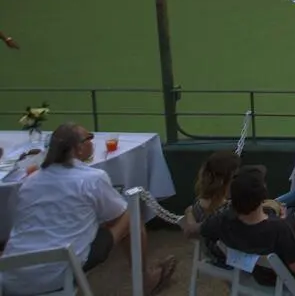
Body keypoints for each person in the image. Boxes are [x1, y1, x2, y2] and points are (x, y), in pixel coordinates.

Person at [0, 124, 177, 295]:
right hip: (60, 273)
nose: (92, 141)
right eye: (89, 137)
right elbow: (118, 214)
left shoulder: (29, 182)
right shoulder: (93, 178)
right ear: (78, 148)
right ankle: (145, 281)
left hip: (12, 276)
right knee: (131, 218)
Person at [200, 166, 295, 287]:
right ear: (262, 195)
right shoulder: (279, 229)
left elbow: (202, 230)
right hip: (281, 279)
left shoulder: (222, 220)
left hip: (256, 271)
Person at [183, 151, 241, 239]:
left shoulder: (197, 206)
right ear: (222, 181)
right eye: (235, 177)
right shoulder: (231, 210)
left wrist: (189, 212)